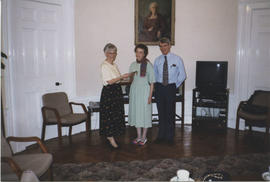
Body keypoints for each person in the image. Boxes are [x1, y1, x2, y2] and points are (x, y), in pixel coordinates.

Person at [154, 37, 186, 144]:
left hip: (171, 88)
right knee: (161, 112)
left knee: (170, 113)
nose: (163, 48)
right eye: (161, 46)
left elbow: (182, 75)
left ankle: (170, 137)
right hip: (159, 88)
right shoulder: (157, 60)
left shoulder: (177, 59)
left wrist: (173, 86)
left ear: (169, 46)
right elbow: (155, 75)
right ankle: (160, 136)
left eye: (165, 46)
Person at [99, 43, 130, 149]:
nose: (112, 55)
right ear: (106, 53)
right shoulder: (104, 65)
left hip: (116, 91)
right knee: (109, 116)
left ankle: (112, 136)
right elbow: (109, 81)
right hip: (109, 92)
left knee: (116, 114)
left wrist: (127, 78)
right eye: (110, 53)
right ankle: (110, 137)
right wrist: (122, 76)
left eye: (114, 52)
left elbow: (117, 79)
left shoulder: (114, 65)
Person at [128, 44, 155, 146]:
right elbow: (131, 79)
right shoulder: (132, 65)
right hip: (135, 92)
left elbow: (152, 82)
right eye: (137, 52)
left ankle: (144, 137)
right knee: (136, 114)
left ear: (144, 54)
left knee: (145, 114)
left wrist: (150, 96)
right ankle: (138, 136)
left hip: (145, 92)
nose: (138, 54)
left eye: (141, 52)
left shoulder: (148, 65)